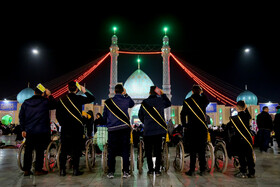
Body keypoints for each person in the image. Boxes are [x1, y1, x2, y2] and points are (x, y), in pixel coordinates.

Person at [56, 81, 95, 176]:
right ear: (77, 89)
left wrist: (63, 124)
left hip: (65, 128)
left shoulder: (61, 100)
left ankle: (62, 170)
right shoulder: (78, 98)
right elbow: (92, 98)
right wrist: (84, 91)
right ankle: (75, 170)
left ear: (67, 89)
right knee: (76, 149)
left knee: (64, 150)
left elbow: (58, 115)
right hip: (77, 128)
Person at [19, 84, 56, 176]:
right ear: (43, 93)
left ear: (34, 92)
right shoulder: (45, 102)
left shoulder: (26, 102)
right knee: (39, 151)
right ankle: (38, 170)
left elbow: (21, 117)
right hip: (42, 131)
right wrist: (49, 94)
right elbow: (55, 105)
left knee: (28, 151)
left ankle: (26, 170)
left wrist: (23, 129)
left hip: (29, 131)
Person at [138, 86, 171, 176]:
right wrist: (163, 94)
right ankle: (157, 170)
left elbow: (140, 115)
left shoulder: (144, 103)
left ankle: (150, 170)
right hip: (159, 131)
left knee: (148, 151)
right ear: (158, 92)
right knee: (157, 150)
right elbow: (169, 103)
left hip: (148, 131)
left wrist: (146, 122)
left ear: (149, 93)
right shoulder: (160, 101)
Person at [103, 84, 135, 179]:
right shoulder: (126, 100)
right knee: (125, 150)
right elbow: (132, 104)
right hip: (124, 129)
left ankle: (111, 172)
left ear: (114, 91)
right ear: (122, 91)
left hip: (112, 130)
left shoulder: (108, 102)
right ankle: (125, 171)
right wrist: (126, 94)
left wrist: (108, 123)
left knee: (111, 151)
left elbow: (105, 116)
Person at [180, 85, 209, 176]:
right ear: (200, 91)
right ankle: (202, 169)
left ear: (192, 91)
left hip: (191, 128)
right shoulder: (203, 100)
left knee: (192, 150)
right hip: (202, 128)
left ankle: (192, 170)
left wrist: (185, 125)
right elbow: (207, 100)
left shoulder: (187, 101)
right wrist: (202, 93)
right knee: (202, 150)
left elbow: (182, 114)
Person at [229, 100, 255, 178]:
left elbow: (230, 127)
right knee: (249, 156)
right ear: (245, 107)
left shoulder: (235, 118)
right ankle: (251, 172)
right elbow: (249, 115)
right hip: (248, 138)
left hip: (240, 139)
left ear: (237, 107)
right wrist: (245, 108)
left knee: (242, 156)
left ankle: (243, 172)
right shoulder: (247, 116)